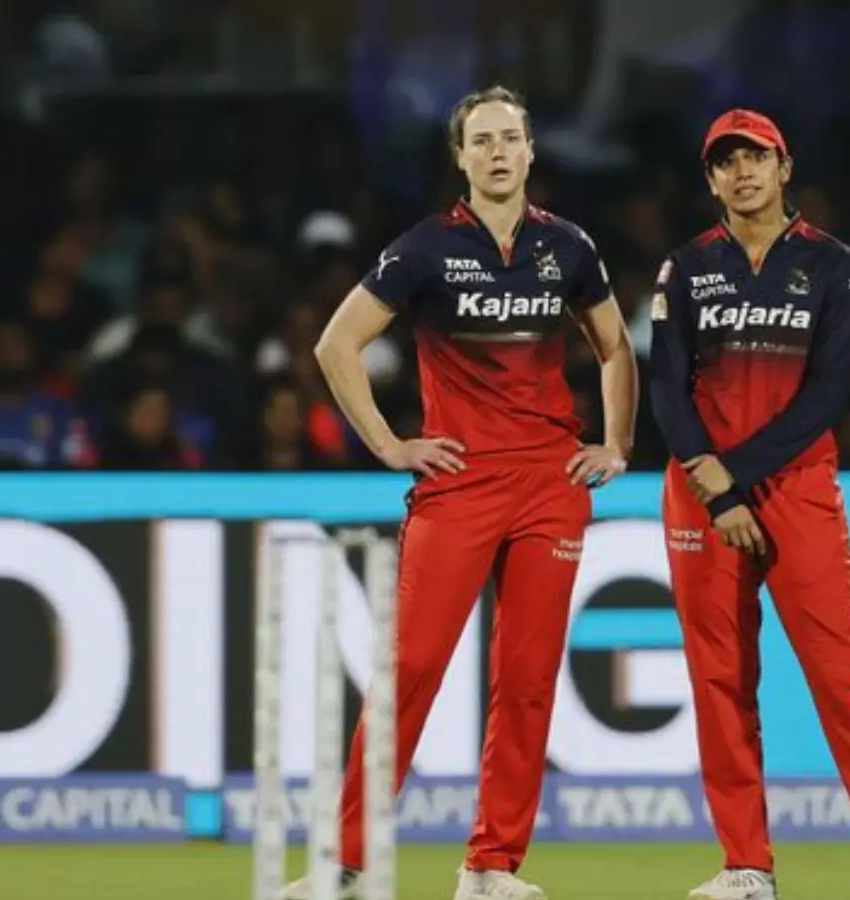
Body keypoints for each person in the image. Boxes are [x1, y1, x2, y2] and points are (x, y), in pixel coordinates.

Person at [280, 85, 638, 900]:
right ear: (461, 157)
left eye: (511, 138)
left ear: (532, 150)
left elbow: (616, 348)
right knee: (412, 666)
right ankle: (345, 866)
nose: (498, 152)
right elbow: (336, 345)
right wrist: (388, 444)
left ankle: (491, 867)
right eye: (482, 140)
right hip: (459, 481)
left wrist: (616, 445)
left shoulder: (568, 247)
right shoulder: (425, 249)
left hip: (549, 484)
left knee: (528, 678)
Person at [649, 109, 850, 900]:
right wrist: (713, 484)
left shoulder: (831, 264)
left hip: (792, 486)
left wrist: (732, 477)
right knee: (720, 678)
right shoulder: (686, 268)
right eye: (726, 161)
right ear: (712, 180)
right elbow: (665, 386)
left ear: (784, 167)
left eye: (756, 157)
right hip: (700, 490)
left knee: (842, 674)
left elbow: (829, 393)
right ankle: (746, 866)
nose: (742, 172)